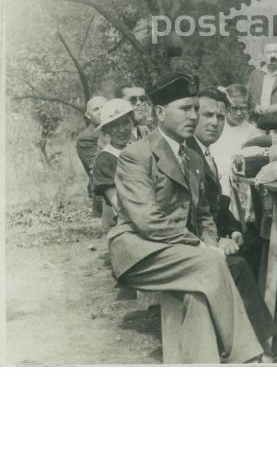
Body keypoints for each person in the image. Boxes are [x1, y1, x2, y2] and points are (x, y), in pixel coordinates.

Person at [108, 74, 265, 364]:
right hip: (139, 250)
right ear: (159, 113)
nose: (193, 116)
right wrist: (200, 246)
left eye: (196, 108)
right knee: (211, 263)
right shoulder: (136, 155)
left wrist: (210, 241)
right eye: (185, 109)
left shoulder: (191, 157)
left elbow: (203, 212)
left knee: (198, 290)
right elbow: (147, 221)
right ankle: (247, 357)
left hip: (178, 252)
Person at [187, 88, 276, 348]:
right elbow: (189, 212)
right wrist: (218, 240)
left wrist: (233, 228)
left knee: (259, 243)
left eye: (221, 117)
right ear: (193, 115)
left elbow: (215, 204)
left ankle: (248, 327)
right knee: (237, 264)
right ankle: (258, 343)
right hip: (196, 243)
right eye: (207, 115)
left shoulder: (204, 151)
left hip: (214, 232)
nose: (215, 123)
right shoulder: (188, 153)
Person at [209, 84, 262, 195]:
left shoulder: (252, 131)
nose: (238, 113)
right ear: (227, 107)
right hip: (215, 182)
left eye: (243, 108)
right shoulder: (216, 126)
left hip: (240, 188)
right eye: (234, 108)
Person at [91, 99, 135, 229]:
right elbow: (119, 207)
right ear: (106, 130)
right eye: (115, 125)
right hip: (125, 224)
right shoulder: (105, 160)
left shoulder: (139, 149)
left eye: (126, 122)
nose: (122, 130)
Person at [247, 42, 277, 115]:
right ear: (263, 56)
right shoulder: (255, 74)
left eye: (275, 52)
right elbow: (247, 96)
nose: (272, 56)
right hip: (257, 120)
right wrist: (255, 106)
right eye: (268, 53)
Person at [75, 95, 108, 183]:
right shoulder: (85, 138)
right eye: (96, 109)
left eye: (104, 107)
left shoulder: (118, 129)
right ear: (88, 115)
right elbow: (102, 168)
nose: (101, 111)